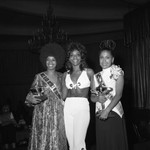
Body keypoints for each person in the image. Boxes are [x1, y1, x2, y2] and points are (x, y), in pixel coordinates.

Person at [25, 43, 68, 150]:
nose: (50, 62)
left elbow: (65, 95)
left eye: (53, 60)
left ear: (58, 61)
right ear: (44, 60)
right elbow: (30, 98)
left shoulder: (62, 76)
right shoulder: (39, 77)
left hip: (58, 114)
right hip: (42, 114)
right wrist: (30, 100)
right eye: (48, 59)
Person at [91, 40, 128, 150]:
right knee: (104, 143)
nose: (104, 60)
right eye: (101, 57)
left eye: (107, 57)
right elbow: (92, 97)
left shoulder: (118, 72)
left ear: (112, 59)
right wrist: (98, 98)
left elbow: (119, 95)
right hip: (99, 113)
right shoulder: (95, 76)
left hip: (113, 112)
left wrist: (107, 111)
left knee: (115, 143)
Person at [62, 42, 94, 150]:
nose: (74, 57)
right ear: (69, 57)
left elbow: (95, 93)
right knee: (71, 143)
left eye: (78, 55)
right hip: (68, 107)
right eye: (72, 55)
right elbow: (63, 96)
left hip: (82, 107)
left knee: (79, 142)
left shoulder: (89, 72)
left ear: (82, 56)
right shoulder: (65, 75)